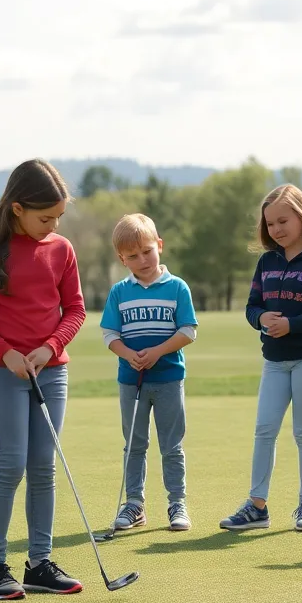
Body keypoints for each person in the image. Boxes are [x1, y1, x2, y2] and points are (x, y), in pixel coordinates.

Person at [0, 159, 87, 600]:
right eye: (44, 217)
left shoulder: (61, 249)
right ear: (17, 208)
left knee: (43, 467)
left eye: (57, 217)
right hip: (4, 372)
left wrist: (50, 347)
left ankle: (40, 563)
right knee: (11, 463)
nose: (51, 225)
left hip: (51, 372)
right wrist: (6, 352)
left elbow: (75, 310)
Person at [220, 184, 302, 533]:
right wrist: (260, 319)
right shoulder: (267, 261)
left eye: (283, 221)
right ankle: (257, 507)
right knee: (264, 429)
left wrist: (292, 325)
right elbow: (252, 306)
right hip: (274, 360)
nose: (276, 229)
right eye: (270, 223)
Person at [100, 214, 198, 533]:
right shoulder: (119, 292)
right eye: (132, 256)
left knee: (172, 445)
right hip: (132, 381)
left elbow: (188, 331)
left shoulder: (177, 287)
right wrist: (128, 354)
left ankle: (177, 503)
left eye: (146, 251)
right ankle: (134, 504)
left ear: (159, 245)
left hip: (169, 378)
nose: (142, 260)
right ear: (122, 259)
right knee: (135, 444)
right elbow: (110, 335)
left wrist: (157, 352)